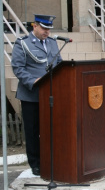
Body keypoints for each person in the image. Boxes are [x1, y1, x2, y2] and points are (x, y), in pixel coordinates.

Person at [11, 14, 62, 176]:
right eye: (44, 28)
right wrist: (34, 82)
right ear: (35, 26)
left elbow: (59, 63)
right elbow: (18, 67)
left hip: (51, 94)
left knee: (50, 129)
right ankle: (36, 163)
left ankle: (51, 159)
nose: (47, 32)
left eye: (49, 29)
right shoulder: (23, 43)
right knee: (33, 131)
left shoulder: (53, 43)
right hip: (31, 95)